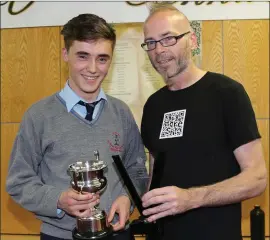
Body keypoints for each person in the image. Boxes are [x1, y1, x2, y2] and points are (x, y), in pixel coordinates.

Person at [6, 13, 149, 240]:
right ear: (65, 54)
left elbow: (138, 169)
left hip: (118, 232)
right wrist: (58, 200)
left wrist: (127, 198)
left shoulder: (121, 112)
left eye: (102, 58)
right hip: (60, 235)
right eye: (83, 56)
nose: (93, 68)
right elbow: (18, 182)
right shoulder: (38, 116)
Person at [140, 4, 267, 240]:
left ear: (193, 41)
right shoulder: (153, 105)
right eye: (151, 42)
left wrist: (191, 199)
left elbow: (257, 178)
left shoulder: (227, 93)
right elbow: (156, 173)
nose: (158, 50)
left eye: (168, 38)